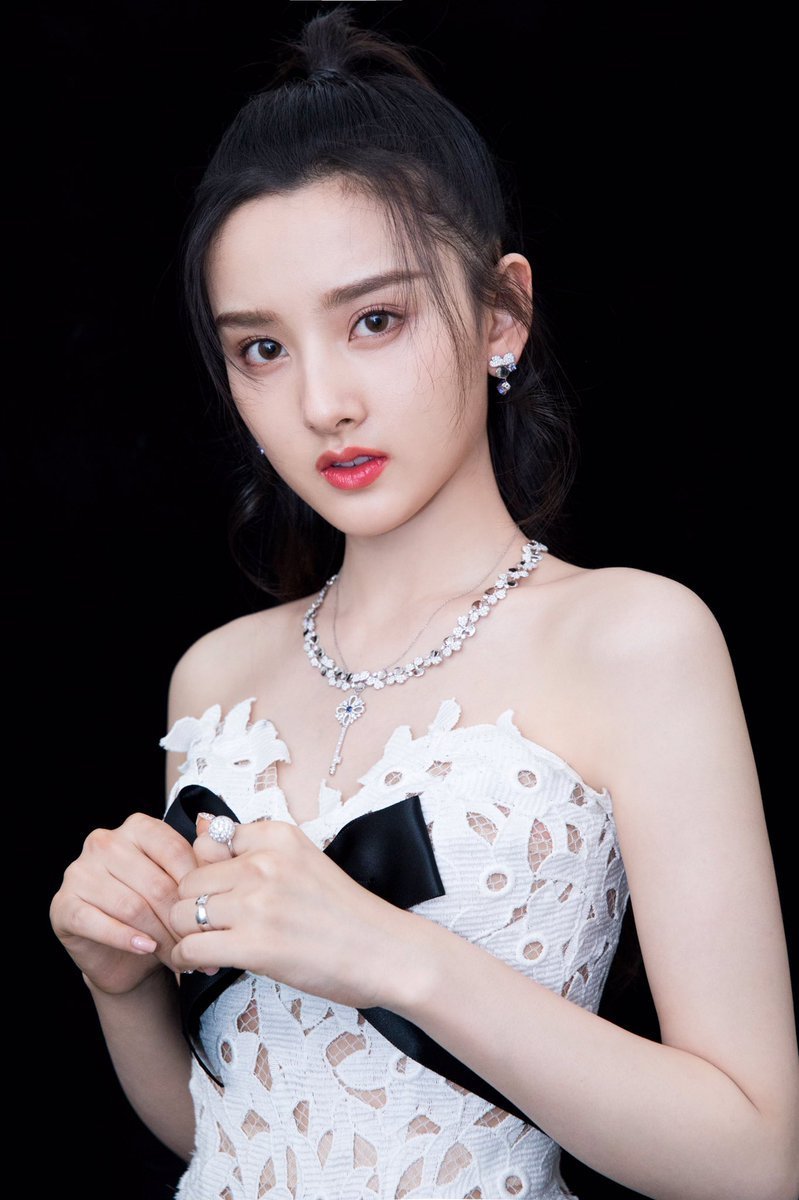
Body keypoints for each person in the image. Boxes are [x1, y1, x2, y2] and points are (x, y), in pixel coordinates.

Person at [49, 6, 799, 1199]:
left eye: (375, 320)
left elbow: (750, 1160)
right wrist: (119, 983)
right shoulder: (215, 676)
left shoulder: (631, 640)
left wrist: (393, 955)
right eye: (261, 349)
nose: (323, 402)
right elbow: (239, 1135)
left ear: (502, 313)